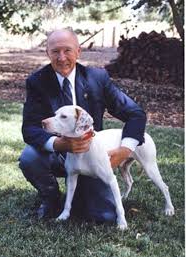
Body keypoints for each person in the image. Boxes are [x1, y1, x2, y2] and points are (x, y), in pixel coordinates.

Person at [19, 29, 146, 223]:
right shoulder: (37, 82)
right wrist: (59, 144)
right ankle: (51, 197)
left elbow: (135, 113)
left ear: (78, 51)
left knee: (104, 216)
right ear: (47, 52)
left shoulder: (97, 78)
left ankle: (81, 195)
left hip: (92, 157)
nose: (62, 58)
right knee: (29, 157)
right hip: (57, 155)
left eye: (67, 50)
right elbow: (29, 128)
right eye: (55, 51)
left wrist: (125, 149)